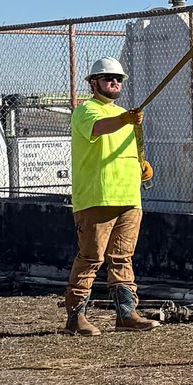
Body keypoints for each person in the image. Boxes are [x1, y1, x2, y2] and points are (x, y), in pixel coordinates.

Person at [64, 62, 154, 337]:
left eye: (118, 79)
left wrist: (141, 165)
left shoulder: (126, 117)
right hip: (97, 198)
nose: (115, 82)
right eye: (108, 78)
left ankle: (127, 315)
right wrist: (125, 120)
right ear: (94, 83)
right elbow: (99, 129)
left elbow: (126, 147)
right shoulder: (86, 111)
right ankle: (76, 318)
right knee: (91, 257)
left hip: (129, 197)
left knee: (122, 258)